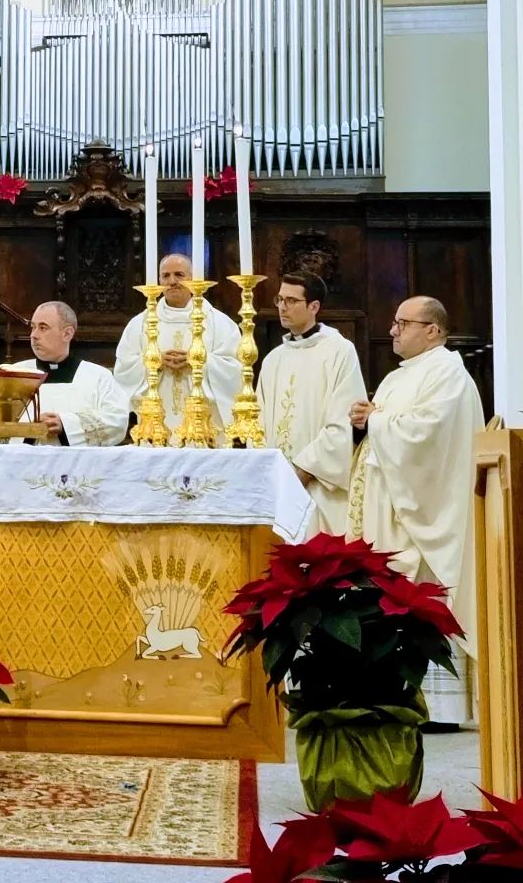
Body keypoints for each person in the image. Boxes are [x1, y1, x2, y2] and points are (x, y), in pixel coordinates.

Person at [347, 297, 484, 724]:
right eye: (394, 321)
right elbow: (387, 428)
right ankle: (392, 697)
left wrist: (377, 421)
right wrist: (363, 422)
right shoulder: (399, 377)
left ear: (433, 330)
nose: (393, 330)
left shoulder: (446, 372)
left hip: (423, 510)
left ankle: (435, 708)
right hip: (393, 506)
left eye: (403, 323)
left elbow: (427, 434)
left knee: (424, 594)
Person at [257, 272, 363, 535]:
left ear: (313, 306)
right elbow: (257, 423)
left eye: (291, 300)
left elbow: (343, 424)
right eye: (280, 299)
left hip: (316, 486)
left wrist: (301, 472)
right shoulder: (273, 359)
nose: (282, 306)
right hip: (275, 488)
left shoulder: (339, 351)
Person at [113, 254, 242, 435]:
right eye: (165, 276)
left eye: (179, 274)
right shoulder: (140, 323)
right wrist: (152, 362)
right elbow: (122, 370)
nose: (172, 281)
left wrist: (199, 361)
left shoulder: (219, 323)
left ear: (193, 278)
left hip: (205, 430)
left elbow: (236, 370)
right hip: (154, 430)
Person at [6, 301, 130, 446]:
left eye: (43, 327)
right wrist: (31, 428)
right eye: (33, 327)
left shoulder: (98, 377)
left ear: (67, 333)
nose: (34, 335)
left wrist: (65, 425)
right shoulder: (13, 374)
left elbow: (117, 421)